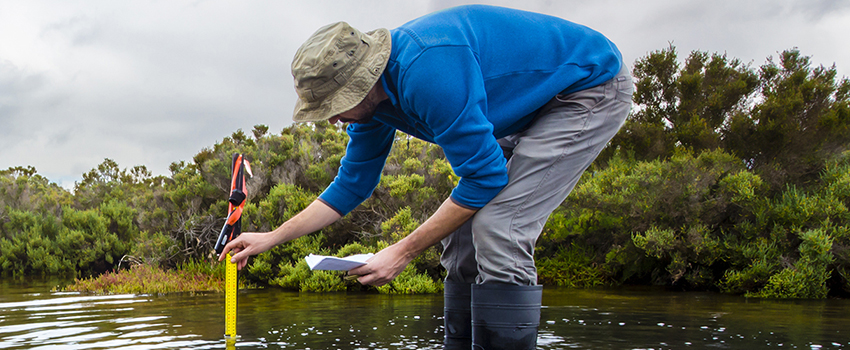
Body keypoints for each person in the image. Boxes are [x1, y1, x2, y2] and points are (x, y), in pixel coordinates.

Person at [219, 4, 632, 349]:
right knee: (462, 233)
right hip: (518, 111)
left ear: (364, 82)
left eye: (336, 105)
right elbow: (352, 184)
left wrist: (401, 252)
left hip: (585, 89)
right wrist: (273, 237)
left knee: (498, 225)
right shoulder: (373, 107)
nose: (333, 119)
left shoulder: (428, 71)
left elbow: (485, 179)